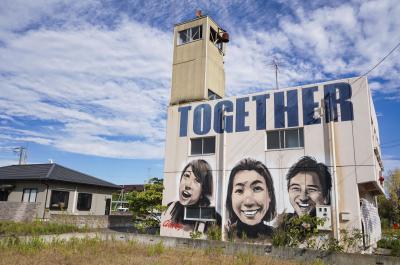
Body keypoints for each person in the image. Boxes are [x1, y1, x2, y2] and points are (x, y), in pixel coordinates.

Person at [162, 159, 218, 234]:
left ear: (203, 190)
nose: (188, 185)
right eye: (187, 176)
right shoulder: (170, 208)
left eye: (197, 180)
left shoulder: (211, 216)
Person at [226, 158, 276, 239]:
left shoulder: (278, 238)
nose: (248, 202)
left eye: (257, 188)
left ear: (269, 195)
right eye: (239, 190)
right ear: (231, 197)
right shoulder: (224, 236)